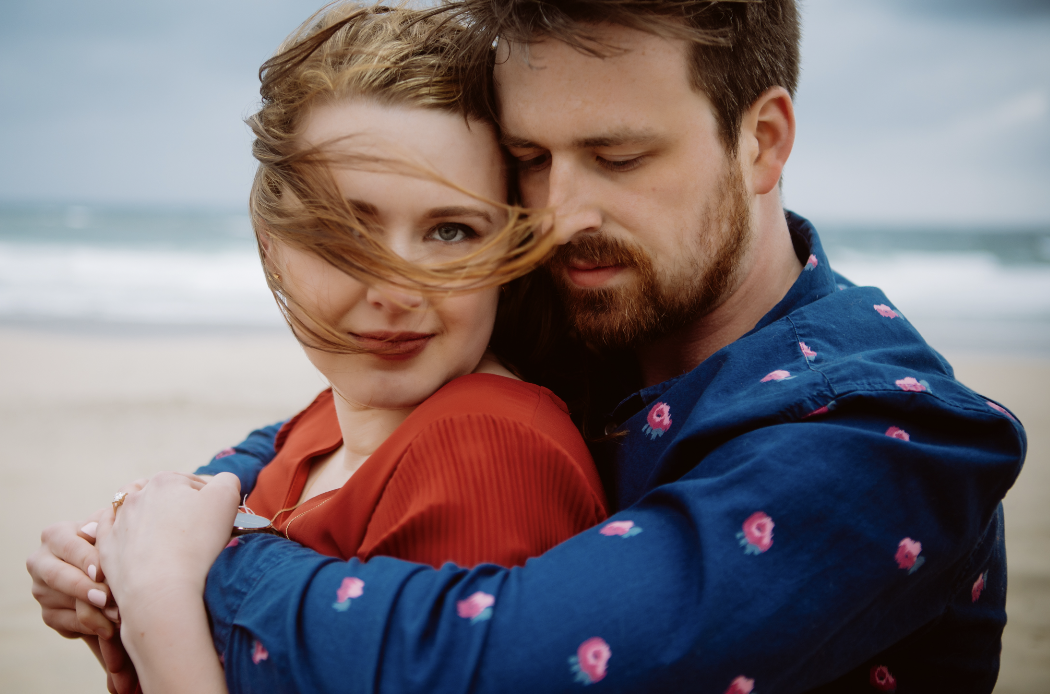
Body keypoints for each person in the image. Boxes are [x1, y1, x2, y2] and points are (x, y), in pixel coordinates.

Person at [32, 1, 1026, 692]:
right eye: (528, 162)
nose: (558, 212)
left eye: (619, 156)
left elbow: (500, 666)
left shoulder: (877, 437)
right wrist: (143, 523)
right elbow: (342, 422)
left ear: (762, 141)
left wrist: (191, 564)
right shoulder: (583, 307)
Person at [27, 4, 609, 692]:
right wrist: (108, 587)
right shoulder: (318, 427)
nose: (396, 289)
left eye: (451, 231)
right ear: (272, 243)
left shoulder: (489, 450)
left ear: (505, 254)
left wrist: (158, 599)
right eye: (344, 232)